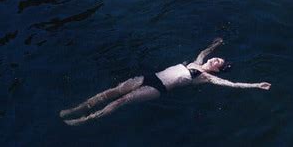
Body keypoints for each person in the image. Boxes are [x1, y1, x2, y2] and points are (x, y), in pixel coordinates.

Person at [59, 38, 270, 125]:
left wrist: (255, 85)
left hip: (159, 88)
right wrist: (215, 45)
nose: (215, 60)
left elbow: (231, 85)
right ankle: (77, 108)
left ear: (218, 69)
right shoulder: (198, 62)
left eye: (218, 62)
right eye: (217, 58)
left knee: (120, 101)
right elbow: (205, 51)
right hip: (149, 77)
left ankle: (84, 119)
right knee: (111, 92)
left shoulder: (206, 77)